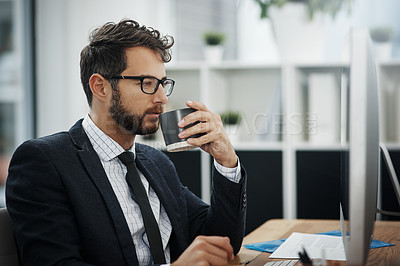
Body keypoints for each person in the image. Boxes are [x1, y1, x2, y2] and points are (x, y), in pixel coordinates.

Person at [6, 19, 247, 266]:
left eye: (163, 84)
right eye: (147, 83)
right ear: (100, 87)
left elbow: (220, 242)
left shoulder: (156, 161)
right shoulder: (44, 162)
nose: (162, 98)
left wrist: (226, 160)